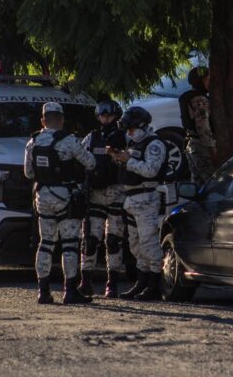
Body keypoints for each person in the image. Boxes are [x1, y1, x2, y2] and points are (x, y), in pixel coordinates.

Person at [24, 102, 96, 305]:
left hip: (42, 196)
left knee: (46, 243)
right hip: (66, 197)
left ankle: (43, 291)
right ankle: (70, 291)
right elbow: (90, 162)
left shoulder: (33, 142)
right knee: (70, 245)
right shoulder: (69, 141)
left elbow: (28, 173)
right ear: (62, 120)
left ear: (43, 121)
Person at [109, 106, 168, 301]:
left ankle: (154, 285)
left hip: (146, 198)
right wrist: (119, 158)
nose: (129, 133)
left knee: (149, 243)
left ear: (142, 126)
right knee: (135, 245)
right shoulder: (135, 144)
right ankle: (141, 283)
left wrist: (128, 161)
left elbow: (151, 170)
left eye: (131, 129)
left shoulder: (154, 144)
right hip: (131, 199)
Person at [78, 100, 127, 299]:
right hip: (95, 195)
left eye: (110, 116)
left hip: (117, 192)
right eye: (103, 116)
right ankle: (85, 281)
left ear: (116, 116)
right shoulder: (92, 137)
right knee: (90, 240)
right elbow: (79, 158)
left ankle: (112, 283)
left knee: (113, 240)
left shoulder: (125, 137)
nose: (106, 119)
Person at [179, 66, 215, 186]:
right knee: (210, 181)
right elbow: (203, 125)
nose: (210, 82)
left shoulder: (187, 96)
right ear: (200, 81)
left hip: (191, 143)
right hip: (201, 145)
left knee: (197, 182)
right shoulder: (200, 99)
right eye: (207, 79)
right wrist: (211, 148)